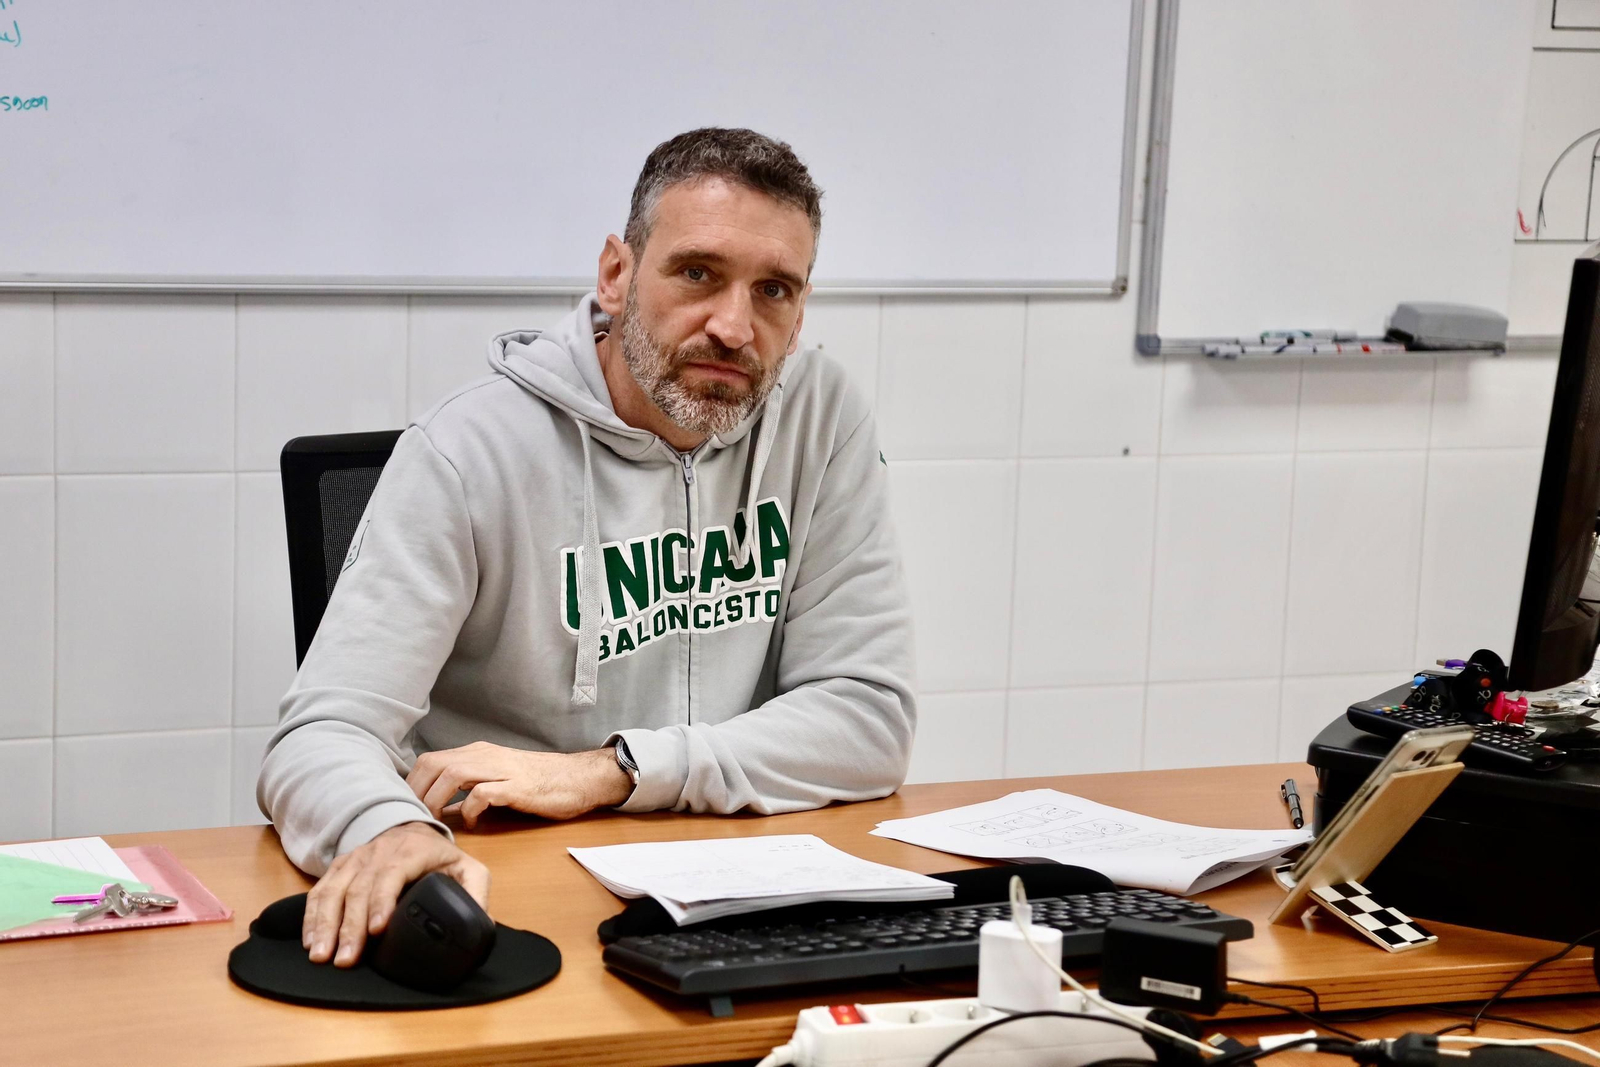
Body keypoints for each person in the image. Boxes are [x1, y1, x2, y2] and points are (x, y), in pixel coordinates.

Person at [257, 127, 918, 967]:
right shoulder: (469, 450)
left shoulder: (821, 417)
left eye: (774, 290)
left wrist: (616, 769)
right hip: (513, 903)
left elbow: (868, 715)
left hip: (737, 899)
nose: (733, 325)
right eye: (697, 273)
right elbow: (322, 730)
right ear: (616, 273)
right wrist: (385, 827)